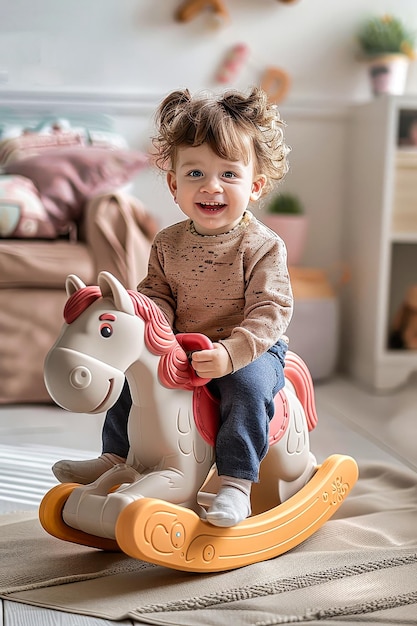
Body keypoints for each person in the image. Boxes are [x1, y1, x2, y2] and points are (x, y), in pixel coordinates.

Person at [53, 86, 293, 527]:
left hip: (247, 349)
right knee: (134, 374)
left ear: (255, 185)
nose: (211, 187)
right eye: (196, 173)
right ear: (174, 185)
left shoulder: (261, 245)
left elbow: (271, 311)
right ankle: (115, 455)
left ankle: (237, 482)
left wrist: (230, 353)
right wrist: (148, 332)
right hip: (181, 345)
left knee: (247, 389)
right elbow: (157, 297)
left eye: (229, 175)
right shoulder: (167, 242)